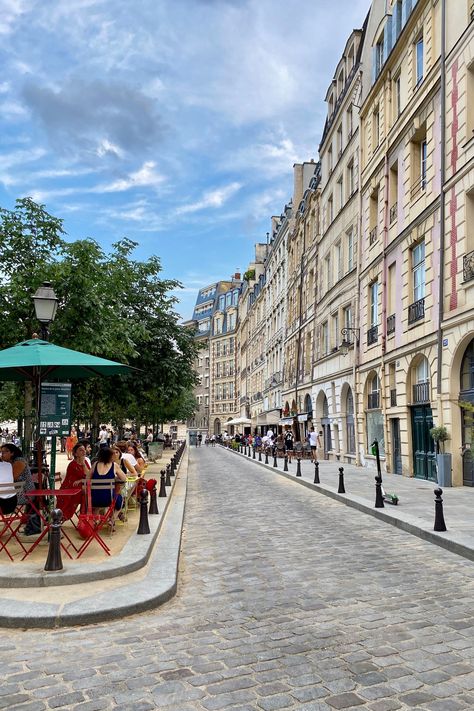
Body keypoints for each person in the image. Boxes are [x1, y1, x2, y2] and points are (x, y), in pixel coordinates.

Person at [87, 446, 127, 528]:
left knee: (98, 498)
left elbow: (87, 479)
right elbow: (124, 478)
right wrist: (114, 478)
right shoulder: (114, 465)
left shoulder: (95, 465)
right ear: (110, 456)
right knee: (120, 499)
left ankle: (95, 521)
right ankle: (112, 520)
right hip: (109, 500)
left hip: (93, 500)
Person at [1, 443, 36, 535]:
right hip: (14, 490)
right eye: (1, 452)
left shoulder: (19, 462)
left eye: (5, 452)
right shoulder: (8, 463)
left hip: (25, 492)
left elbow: (11, 478)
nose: (2, 454)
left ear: (12, 453)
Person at [56, 442, 90, 520]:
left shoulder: (85, 463)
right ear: (75, 453)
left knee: (87, 494)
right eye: (81, 450)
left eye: (84, 450)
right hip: (70, 488)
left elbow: (88, 475)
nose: (84, 452)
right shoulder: (72, 465)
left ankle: (84, 516)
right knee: (85, 495)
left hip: (80, 487)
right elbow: (85, 476)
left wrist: (84, 465)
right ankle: (82, 516)